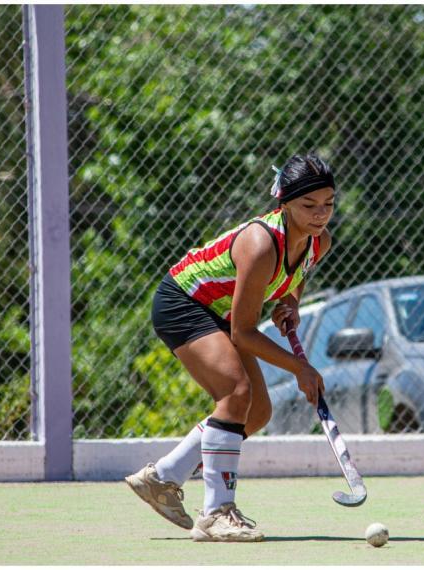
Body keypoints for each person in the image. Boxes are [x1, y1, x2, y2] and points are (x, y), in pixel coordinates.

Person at [125, 153, 336, 542]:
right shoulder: (260, 244)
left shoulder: (317, 241)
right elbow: (243, 333)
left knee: (255, 412)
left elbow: (297, 275)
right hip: (184, 303)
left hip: (218, 309)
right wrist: (300, 369)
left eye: (328, 203)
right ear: (284, 202)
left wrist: (290, 301)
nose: (320, 213)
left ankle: (162, 477)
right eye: (309, 205)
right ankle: (216, 513)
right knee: (236, 394)